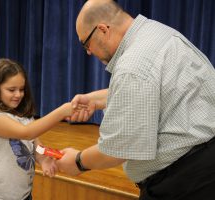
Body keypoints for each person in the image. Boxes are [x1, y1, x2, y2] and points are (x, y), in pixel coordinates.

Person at [56, 0, 215, 199]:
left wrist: (78, 161)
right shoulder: (158, 33)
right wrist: (95, 100)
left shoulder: (132, 65)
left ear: (103, 30)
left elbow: (118, 149)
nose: (88, 52)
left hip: (184, 182)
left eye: (86, 43)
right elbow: (159, 89)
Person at [0, 58, 75, 200]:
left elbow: (36, 147)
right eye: (11, 90)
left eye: (21, 89)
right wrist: (62, 112)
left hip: (24, 195)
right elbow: (26, 133)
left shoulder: (25, 118)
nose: (18, 95)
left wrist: (43, 160)